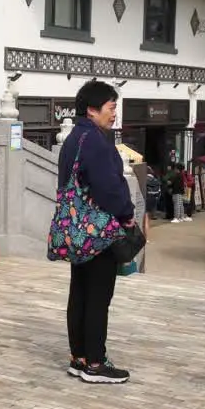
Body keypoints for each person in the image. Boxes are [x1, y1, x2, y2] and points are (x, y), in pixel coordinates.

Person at [58, 80, 135, 384]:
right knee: (98, 296)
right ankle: (95, 362)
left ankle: (78, 357)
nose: (114, 113)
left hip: (77, 230)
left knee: (80, 291)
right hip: (99, 231)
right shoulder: (96, 141)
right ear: (92, 110)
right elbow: (109, 188)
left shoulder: (75, 138)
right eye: (111, 107)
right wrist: (127, 216)